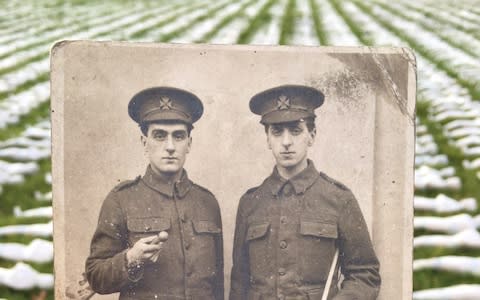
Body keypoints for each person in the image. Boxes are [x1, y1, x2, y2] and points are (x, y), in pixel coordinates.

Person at [229, 85, 381, 300]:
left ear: (312, 135)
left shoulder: (338, 198)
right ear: (267, 138)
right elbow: (239, 284)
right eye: (277, 132)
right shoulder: (250, 202)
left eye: (296, 130)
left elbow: (366, 274)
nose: (286, 142)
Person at [85, 87, 224, 300]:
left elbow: (217, 287)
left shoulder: (207, 202)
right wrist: (131, 258)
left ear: (189, 144)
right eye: (160, 136)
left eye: (178, 136)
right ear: (144, 142)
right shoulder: (121, 199)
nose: (170, 147)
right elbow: (95, 276)